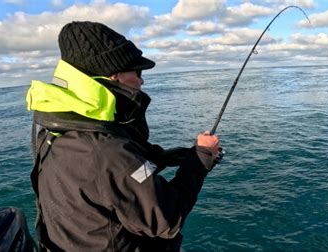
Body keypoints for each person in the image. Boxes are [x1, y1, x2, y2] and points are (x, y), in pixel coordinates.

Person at [26, 21, 220, 251]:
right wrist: (201, 158)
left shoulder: (56, 126)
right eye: (137, 72)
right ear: (114, 76)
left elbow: (114, 168)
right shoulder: (104, 151)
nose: (141, 80)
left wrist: (167, 157)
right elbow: (167, 218)